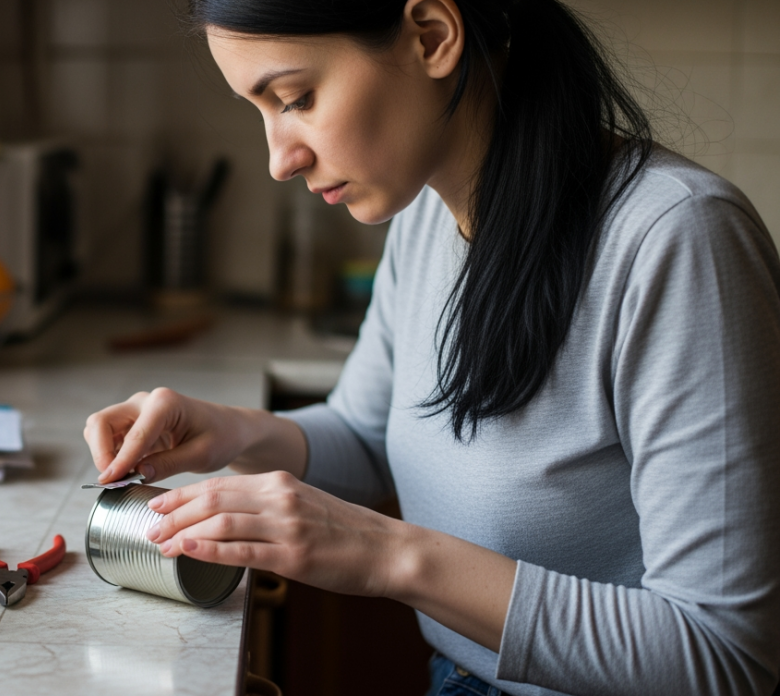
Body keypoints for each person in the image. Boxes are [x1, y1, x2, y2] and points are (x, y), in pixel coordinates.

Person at [81, 1, 780, 694]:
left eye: (296, 98)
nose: (279, 160)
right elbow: (367, 436)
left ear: (432, 36)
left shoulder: (678, 240)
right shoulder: (426, 214)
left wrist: (386, 554)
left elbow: (722, 655)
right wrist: (229, 430)